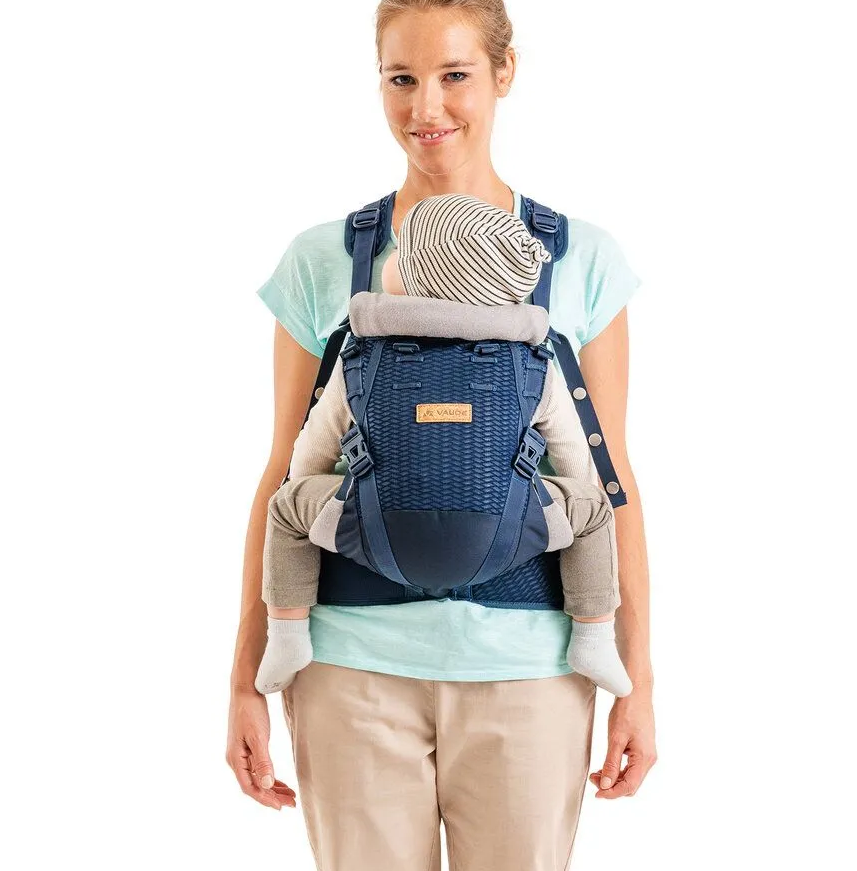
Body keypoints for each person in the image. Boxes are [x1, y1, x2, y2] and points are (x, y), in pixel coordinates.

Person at [226, 0, 658, 871]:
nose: (428, 107)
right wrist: (246, 672)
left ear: (504, 74)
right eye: (402, 78)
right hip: (350, 665)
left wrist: (637, 673)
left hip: (531, 667)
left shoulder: (578, 257)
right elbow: (281, 478)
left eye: (455, 74)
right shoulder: (326, 261)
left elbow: (610, 482)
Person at [254, 190, 633, 699]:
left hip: (372, 538)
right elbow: (576, 464)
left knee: (286, 508)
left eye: (403, 253)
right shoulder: (535, 366)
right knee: (594, 510)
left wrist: (312, 490)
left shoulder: (359, 358)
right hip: (508, 539)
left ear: (423, 276)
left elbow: (309, 454)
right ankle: (594, 638)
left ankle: (286, 634)